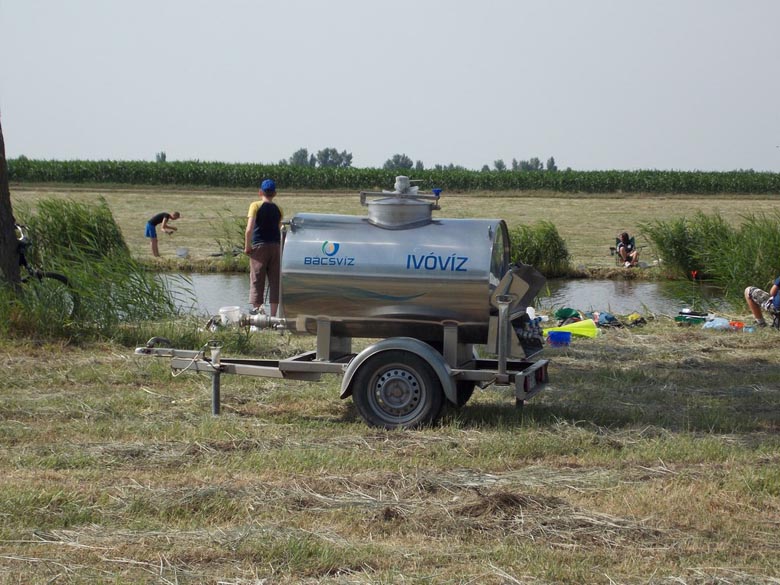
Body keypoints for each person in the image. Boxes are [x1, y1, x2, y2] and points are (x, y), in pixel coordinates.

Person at [245, 178, 282, 316]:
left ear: (260, 192)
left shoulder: (255, 206)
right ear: (275, 193)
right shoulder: (279, 209)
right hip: (276, 247)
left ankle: (257, 315)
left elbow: (249, 229)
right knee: (274, 282)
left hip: (259, 247)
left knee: (257, 280)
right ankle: (273, 317)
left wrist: (247, 247)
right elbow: (280, 230)